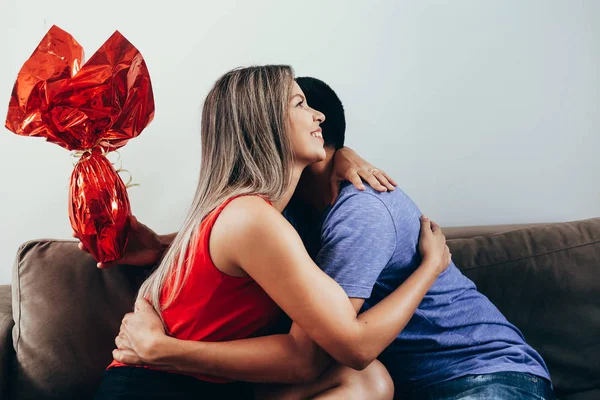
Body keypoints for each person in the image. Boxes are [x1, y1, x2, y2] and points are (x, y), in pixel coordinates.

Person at [110, 77, 557, 400]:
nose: (316, 115)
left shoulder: (343, 212)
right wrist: (429, 267)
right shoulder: (262, 217)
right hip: (165, 384)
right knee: (369, 379)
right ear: (264, 125)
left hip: (482, 373)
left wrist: (343, 154)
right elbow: (350, 347)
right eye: (300, 104)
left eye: (312, 106)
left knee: (369, 383)